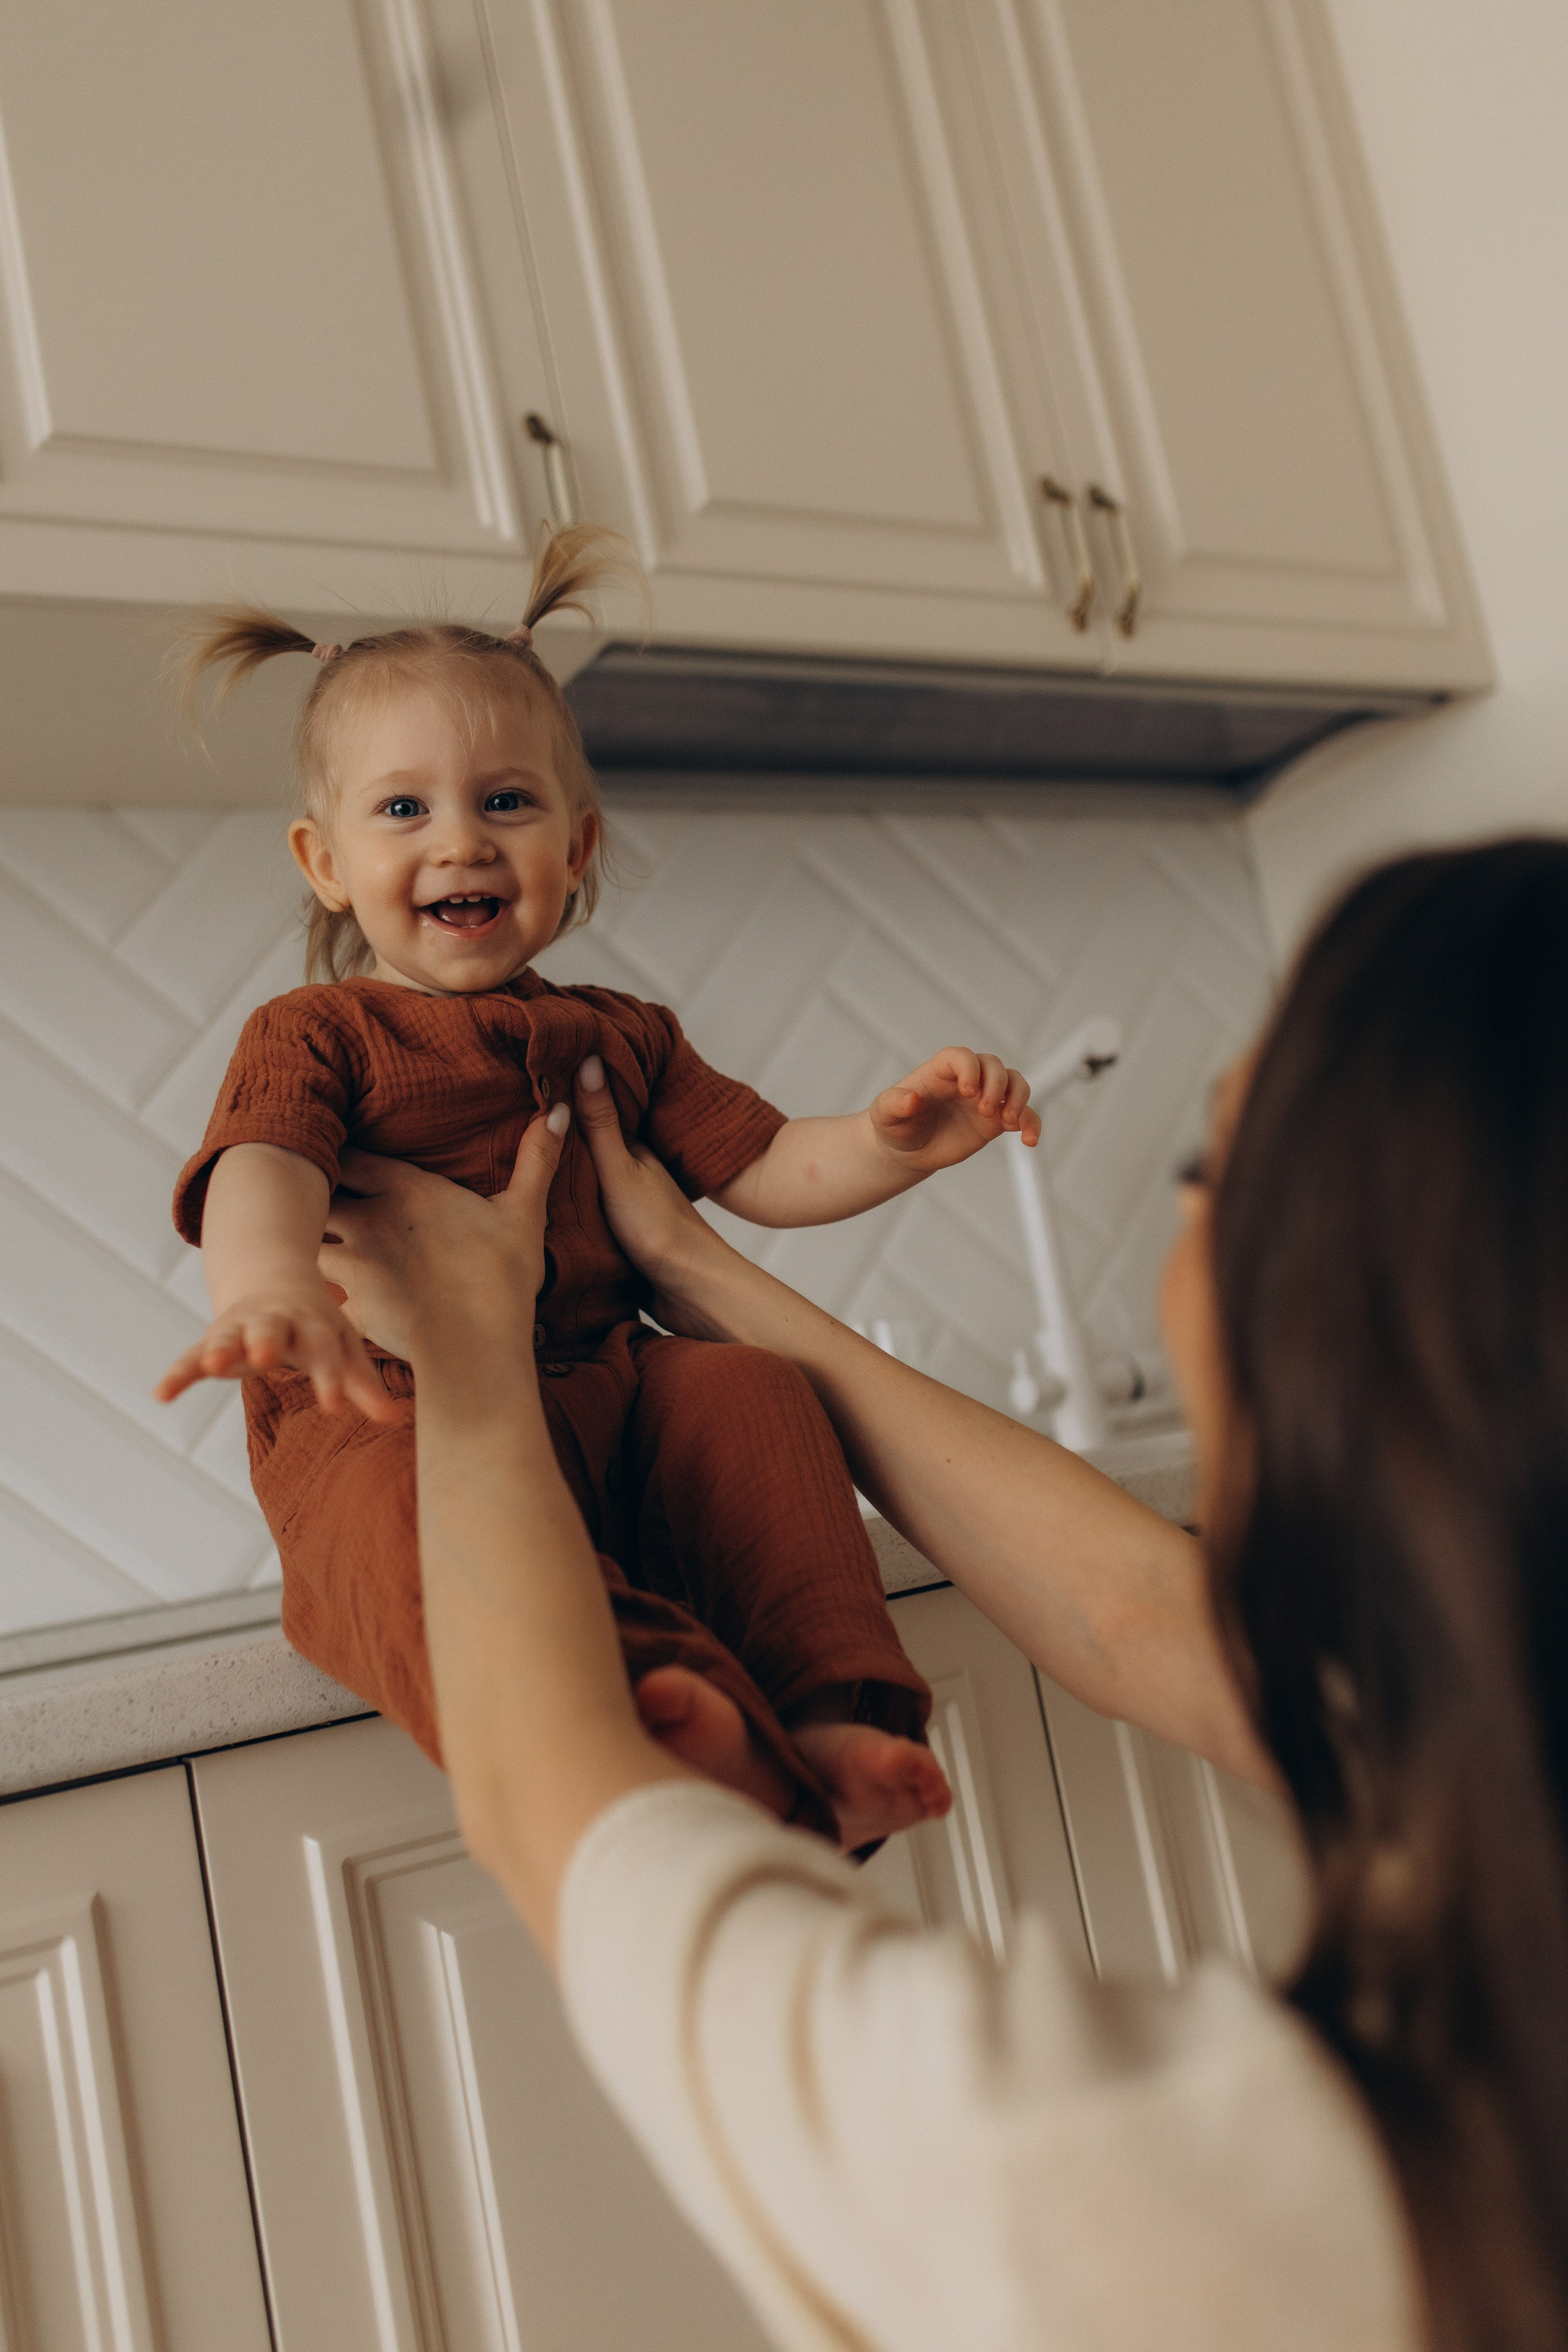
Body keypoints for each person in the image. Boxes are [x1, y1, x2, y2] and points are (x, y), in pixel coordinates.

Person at [313, 839, 1568, 2351]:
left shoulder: (1184, 2195)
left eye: (1202, 1176)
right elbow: (1141, 1619)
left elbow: (559, 1813)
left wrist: (465, 1349)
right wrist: (684, 1267)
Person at [154, 523, 1041, 1849]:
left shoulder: (622, 1034)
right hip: (387, 1404)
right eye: (404, 809)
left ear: (575, 847)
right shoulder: (319, 1035)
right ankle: (637, 1701)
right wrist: (271, 1289)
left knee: (747, 1387)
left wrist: (890, 1142)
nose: (461, 840)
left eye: (504, 802)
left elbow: (758, 1168)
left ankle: (827, 1708)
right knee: (398, 1512)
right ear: (324, 861)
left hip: (608, 1387)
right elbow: (263, 1167)